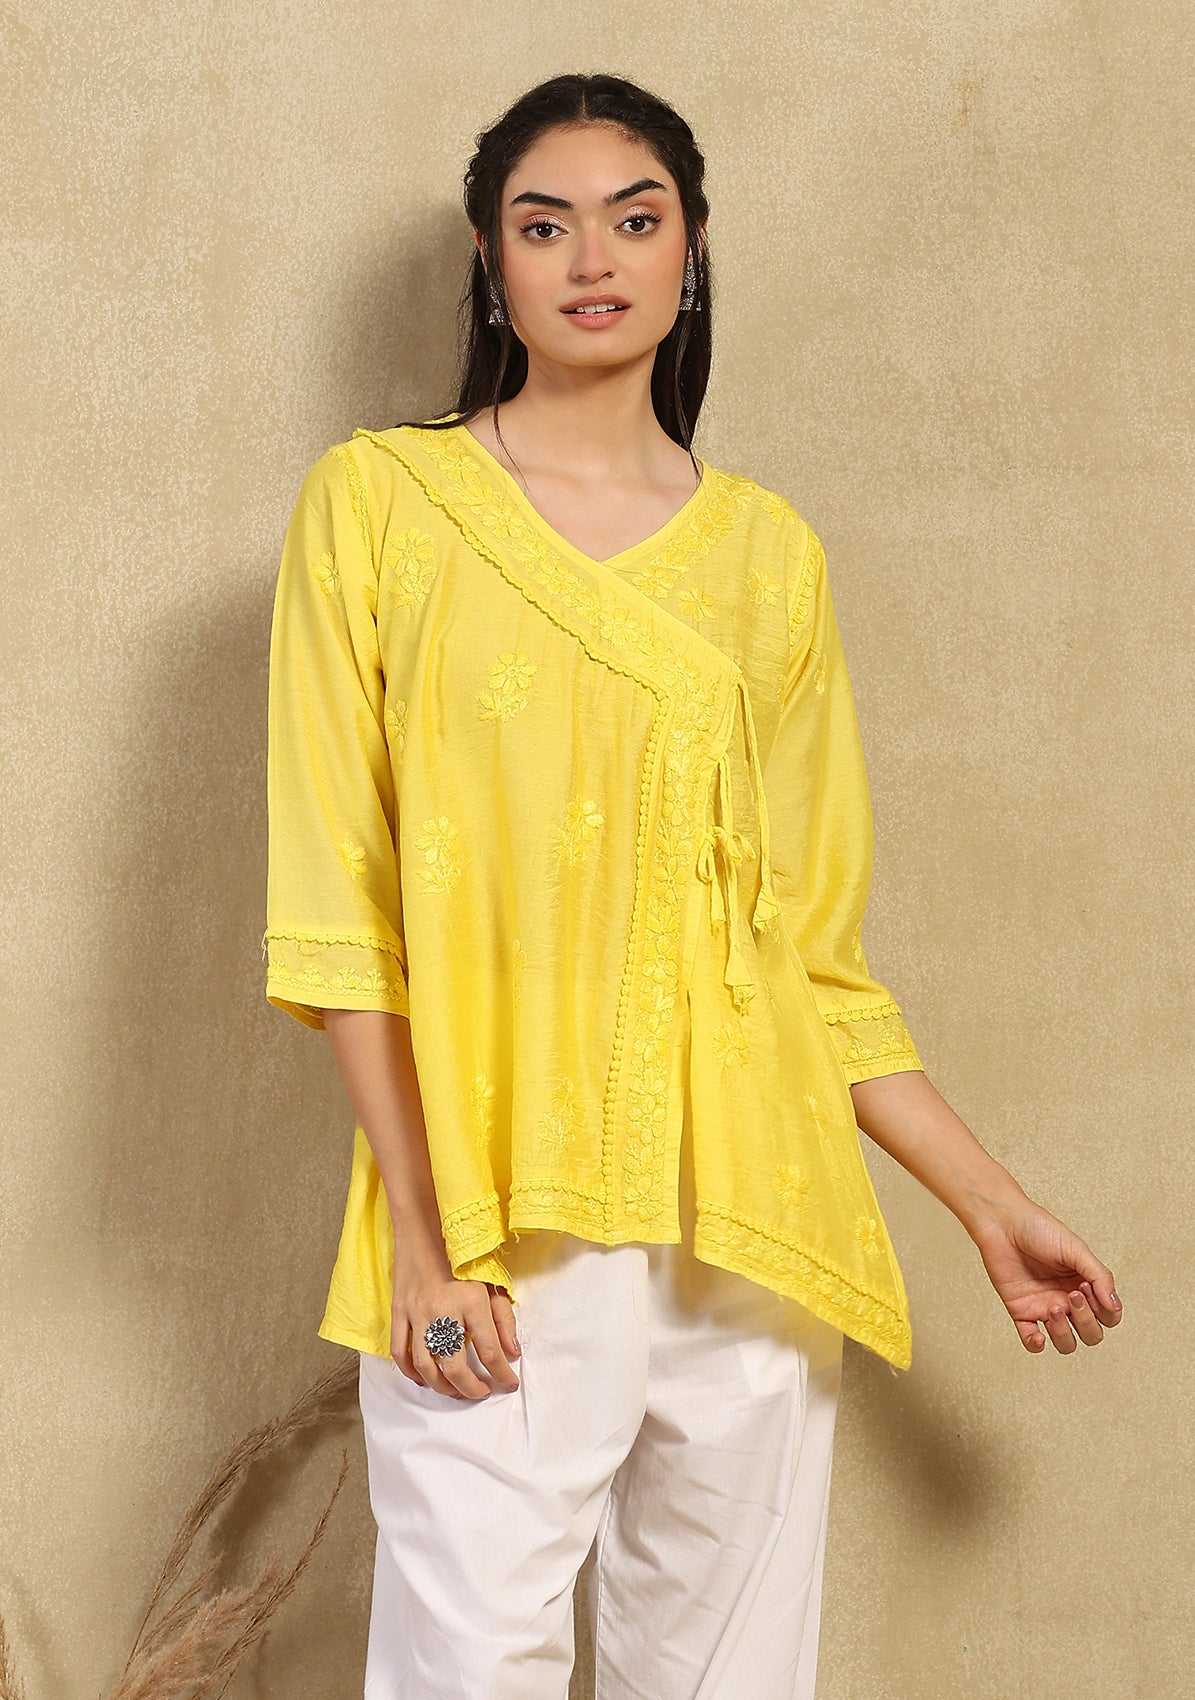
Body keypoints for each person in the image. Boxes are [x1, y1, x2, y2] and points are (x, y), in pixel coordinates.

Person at [262, 72, 1124, 1700]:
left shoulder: (769, 560)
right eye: (545, 225)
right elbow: (339, 913)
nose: (594, 258)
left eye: (635, 219)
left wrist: (989, 1204)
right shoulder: (378, 507)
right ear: (490, 261)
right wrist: (428, 1246)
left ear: (693, 247)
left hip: (752, 1223)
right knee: (465, 1669)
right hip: (501, 1224)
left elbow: (809, 957)